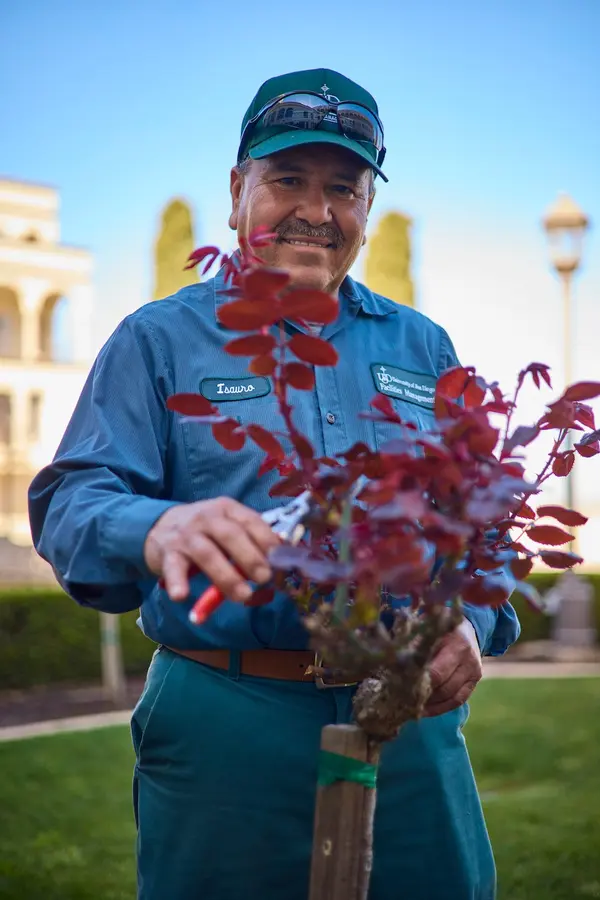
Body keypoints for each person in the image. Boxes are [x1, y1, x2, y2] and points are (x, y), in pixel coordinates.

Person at [29, 68, 520, 900]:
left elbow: (485, 528)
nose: (317, 212)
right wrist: (154, 527)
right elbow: (72, 500)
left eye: (345, 189)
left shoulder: (423, 347)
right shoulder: (160, 339)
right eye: (287, 179)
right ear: (236, 191)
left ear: (366, 208)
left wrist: (470, 619)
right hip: (226, 716)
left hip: (410, 720)